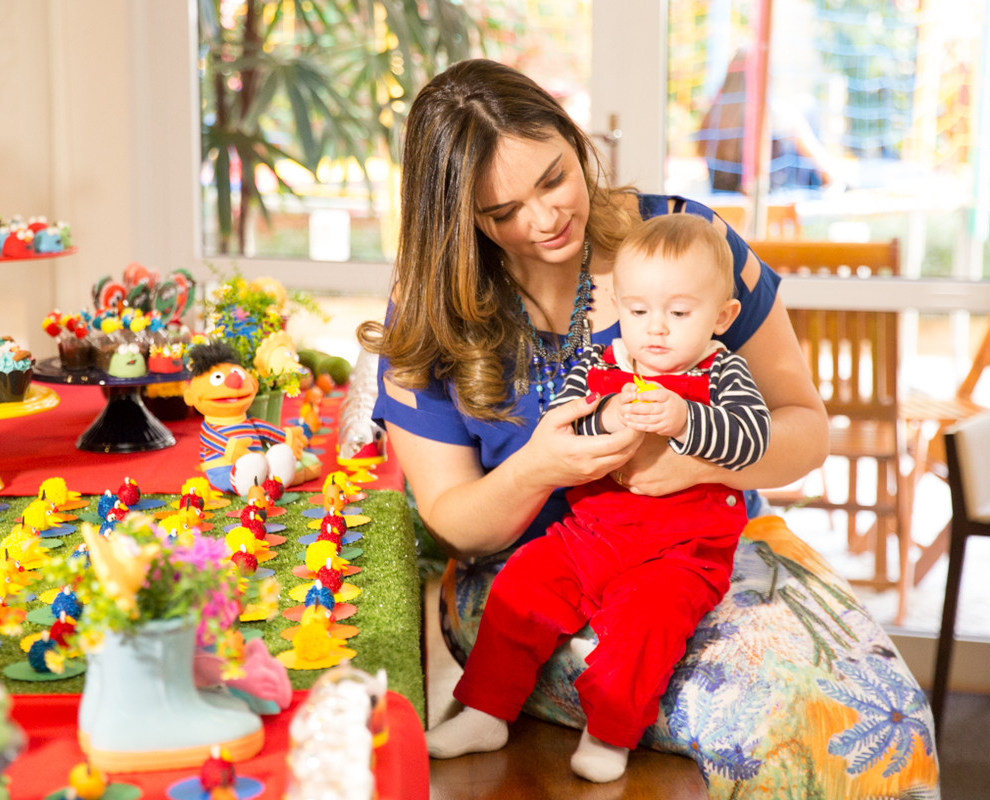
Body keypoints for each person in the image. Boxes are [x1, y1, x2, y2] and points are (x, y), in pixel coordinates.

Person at [355, 57, 828, 770]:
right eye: (504, 212)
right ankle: (506, 711)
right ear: (458, 222)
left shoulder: (684, 243)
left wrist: (694, 457)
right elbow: (453, 519)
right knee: (753, 717)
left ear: (575, 141)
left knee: (825, 705)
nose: (546, 218)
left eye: (553, 178)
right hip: (536, 566)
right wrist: (537, 471)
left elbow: (804, 427)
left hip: (697, 558)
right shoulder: (430, 309)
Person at [423, 213, 772, 781]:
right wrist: (606, 414)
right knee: (522, 588)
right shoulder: (599, 365)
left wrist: (687, 419)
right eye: (637, 312)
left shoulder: (723, 372)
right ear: (619, 305)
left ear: (721, 316)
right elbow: (564, 425)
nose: (655, 330)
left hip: (682, 552)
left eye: (679, 314)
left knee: (646, 626)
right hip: (591, 535)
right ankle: (485, 709)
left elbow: (752, 441)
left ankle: (609, 732)